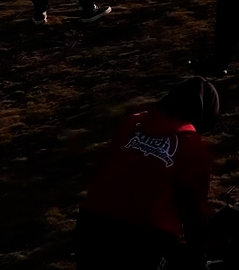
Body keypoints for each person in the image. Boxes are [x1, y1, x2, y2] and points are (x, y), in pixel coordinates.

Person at [76, 77, 220, 270]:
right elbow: (194, 206)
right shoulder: (191, 144)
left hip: (92, 224)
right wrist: (198, 254)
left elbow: (105, 165)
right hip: (144, 235)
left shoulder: (133, 122)